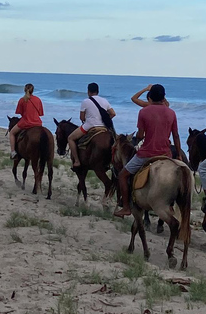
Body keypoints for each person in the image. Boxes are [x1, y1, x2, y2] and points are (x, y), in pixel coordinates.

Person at [114, 84, 181, 218]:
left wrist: (137, 139)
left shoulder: (144, 111)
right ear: (163, 97)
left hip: (147, 153)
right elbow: (176, 135)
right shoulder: (171, 112)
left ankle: (126, 207)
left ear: (149, 97)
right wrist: (178, 154)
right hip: (165, 154)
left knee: (122, 175)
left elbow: (140, 134)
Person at [68, 82, 116, 168]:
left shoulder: (85, 101)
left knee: (70, 138)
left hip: (89, 126)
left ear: (88, 91)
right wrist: (103, 120)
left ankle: (77, 161)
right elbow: (113, 113)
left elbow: (82, 118)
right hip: (103, 127)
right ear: (98, 91)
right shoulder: (104, 101)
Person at [9, 83, 44, 159]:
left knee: (12, 133)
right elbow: (40, 113)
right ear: (33, 90)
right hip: (38, 122)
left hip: (26, 122)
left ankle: (13, 152)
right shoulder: (38, 100)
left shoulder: (22, 100)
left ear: (25, 90)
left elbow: (20, 112)